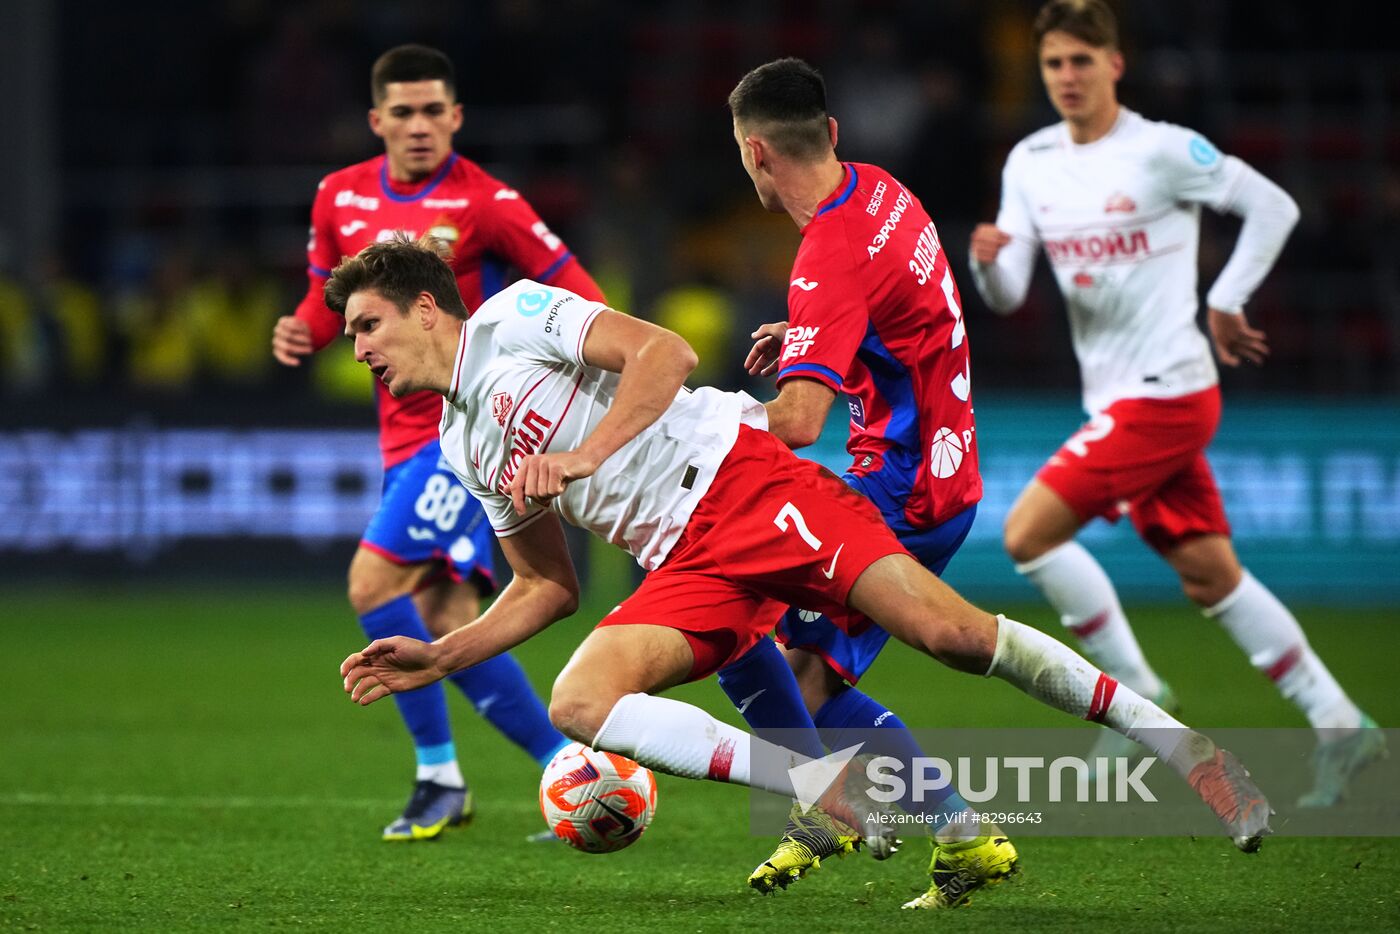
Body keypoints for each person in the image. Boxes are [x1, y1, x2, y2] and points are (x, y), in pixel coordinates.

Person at [331, 235, 1272, 911]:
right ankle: (824, 791)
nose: (361, 349)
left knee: (950, 636)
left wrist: (584, 458)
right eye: (349, 338)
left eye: (368, 325)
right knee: (582, 702)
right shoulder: (460, 442)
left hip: (743, 482)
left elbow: (666, 352)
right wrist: (443, 654)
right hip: (684, 559)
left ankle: (1196, 756)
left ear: (425, 307)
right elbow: (548, 586)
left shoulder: (513, 316)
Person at [967, 0, 1383, 807]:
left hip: (1169, 390)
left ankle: (1129, 683)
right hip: (1119, 399)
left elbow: (1274, 205)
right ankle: (1341, 725)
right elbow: (1011, 292)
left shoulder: (1159, 152)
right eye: (1054, 64)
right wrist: (988, 265)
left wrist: (1227, 297)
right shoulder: (1031, 162)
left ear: (1115, 65)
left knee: (1027, 532)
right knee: (1210, 575)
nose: (1067, 78)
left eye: (1082, 61)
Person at [270, 44, 602, 841]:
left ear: (455, 117)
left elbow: (579, 290)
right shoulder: (338, 196)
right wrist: (303, 329)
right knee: (444, 609)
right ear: (378, 120)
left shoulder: (488, 202)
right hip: (400, 436)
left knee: (370, 582)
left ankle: (440, 774)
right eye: (404, 113)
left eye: (434, 112)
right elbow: (332, 298)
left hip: (466, 432)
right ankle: (571, 773)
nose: (419, 127)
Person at [715, 57, 990, 908]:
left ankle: (900, 822)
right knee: (808, 668)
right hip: (949, 474)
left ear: (756, 154)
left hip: (899, 489)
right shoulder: (878, 188)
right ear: (830, 133)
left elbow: (797, 424)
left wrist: (679, 426)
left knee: (741, 627)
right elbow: (895, 306)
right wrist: (807, 333)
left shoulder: (823, 254)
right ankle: (930, 831)